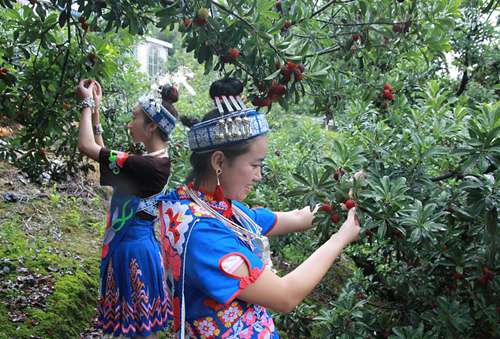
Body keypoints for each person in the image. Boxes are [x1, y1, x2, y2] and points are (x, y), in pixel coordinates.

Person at [157, 78, 361, 338]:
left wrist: (345, 196)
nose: (260, 175)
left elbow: (298, 216)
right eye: (255, 165)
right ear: (219, 161)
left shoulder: (210, 207)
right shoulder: (203, 235)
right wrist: (340, 238)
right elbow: (285, 296)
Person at [76, 79, 179, 338]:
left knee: (136, 331)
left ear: (152, 125)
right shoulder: (155, 163)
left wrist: (86, 103)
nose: (130, 123)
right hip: (139, 247)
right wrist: (97, 111)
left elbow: (87, 147)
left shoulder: (146, 166)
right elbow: (105, 155)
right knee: (136, 330)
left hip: (132, 252)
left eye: (134, 118)